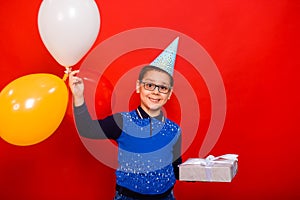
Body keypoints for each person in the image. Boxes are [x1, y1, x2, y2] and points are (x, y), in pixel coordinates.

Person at [69, 38, 182, 200]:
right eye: (150, 85)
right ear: (138, 86)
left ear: (169, 94)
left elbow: (177, 168)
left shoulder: (174, 130)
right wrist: (79, 97)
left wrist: (204, 170)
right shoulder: (122, 121)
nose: (156, 92)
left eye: (163, 88)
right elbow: (87, 129)